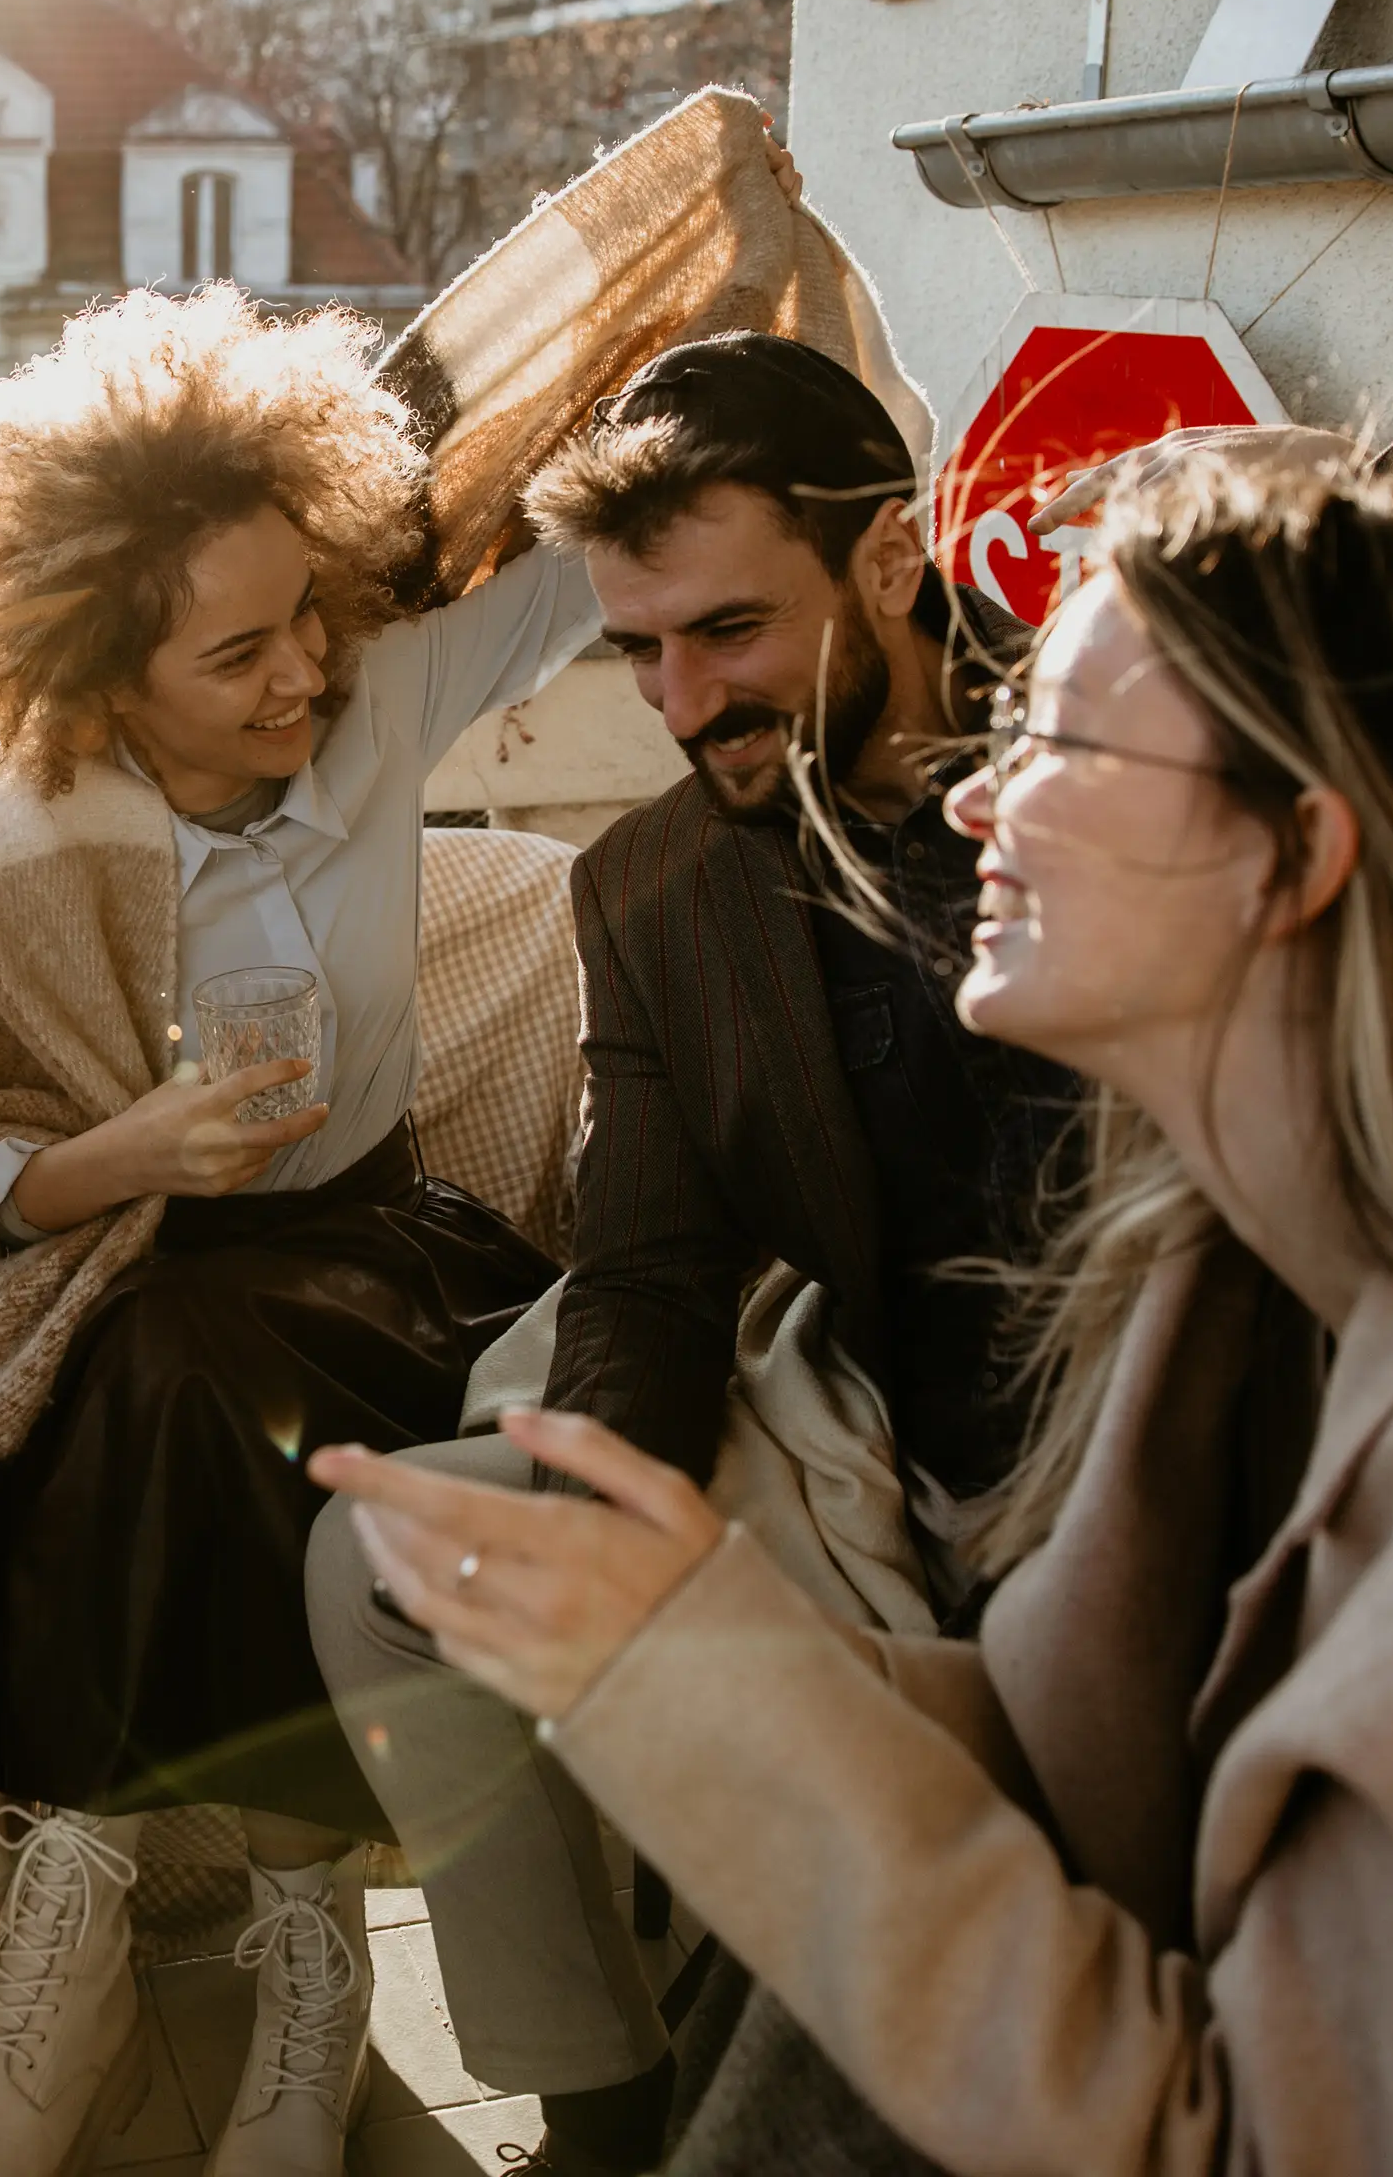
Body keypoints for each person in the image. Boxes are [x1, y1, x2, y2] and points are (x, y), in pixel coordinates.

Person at [314, 427, 1393, 2170]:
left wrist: (718, 1693)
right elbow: (1093, 1755)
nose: (981, 792)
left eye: (1063, 740)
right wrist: (691, 1639)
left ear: (1293, 860)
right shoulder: (1220, 1268)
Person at [0, 284, 592, 2177]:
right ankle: (307, 1949)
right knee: (154, 1374)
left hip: (379, 1259)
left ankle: (77, 1923)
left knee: (153, 1384)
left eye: (311, 621)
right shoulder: (21, 844)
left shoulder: (380, 694)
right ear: (105, 675)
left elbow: (610, 538)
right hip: (127, 1278)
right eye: (237, 655)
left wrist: (719, 270)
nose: (303, 682)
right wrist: (122, 1155)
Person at [297, 330, 1080, 2175]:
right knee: (388, 1553)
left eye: (727, 634)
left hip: (1127, 1480)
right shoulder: (653, 886)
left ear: (892, 558)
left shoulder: (1104, 787)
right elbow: (647, 1264)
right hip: (869, 1438)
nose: (677, 702)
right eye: (637, 648)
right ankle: (594, 2100)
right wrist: (607, 1520)